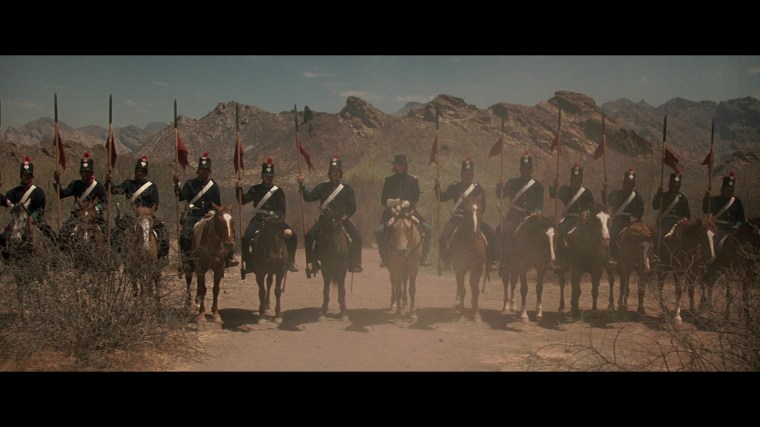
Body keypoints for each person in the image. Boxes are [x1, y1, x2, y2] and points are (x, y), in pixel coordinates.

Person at [297, 155, 363, 275]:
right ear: (329, 173)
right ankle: (313, 263)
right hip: (325, 219)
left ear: (340, 173)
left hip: (341, 219)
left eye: (337, 171)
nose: (334, 173)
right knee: (309, 236)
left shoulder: (347, 189)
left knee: (357, 237)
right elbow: (308, 197)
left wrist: (344, 216)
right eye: (332, 171)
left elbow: (352, 207)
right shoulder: (321, 187)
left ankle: (355, 263)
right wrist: (302, 186)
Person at [173, 152, 237, 272]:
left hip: (209, 215)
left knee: (229, 230)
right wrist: (177, 185)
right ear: (198, 171)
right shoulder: (190, 184)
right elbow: (181, 197)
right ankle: (186, 262)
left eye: (206, 170)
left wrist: (212, 212)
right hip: (193, 215)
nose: (204, 172)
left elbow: (217, 204)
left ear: (209, 172)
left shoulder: (213, 186)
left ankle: (229, 257)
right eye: (202, 170)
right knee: (185, 236)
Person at [236, 157, 299, 273]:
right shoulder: (255, 189)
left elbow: (281, 209)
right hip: (259, 219)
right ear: (262, 176)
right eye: (266, 176)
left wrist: (276, 217)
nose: (268, 178)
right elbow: (243, 200)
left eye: (270, 176)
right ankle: (248, 264)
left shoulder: (278, 191)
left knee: (292, 235)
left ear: (273, 177)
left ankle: (291, 262)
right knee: (246, 238)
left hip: (275, 220)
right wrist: (238, 189)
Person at [436, 156, 498, 271]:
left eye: (470, 174)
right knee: (443, 237)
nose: (468, 177)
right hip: (458, 219)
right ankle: (446, 261)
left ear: (473, 175)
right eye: (465, 174)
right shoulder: (455, 186)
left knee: (491, 234)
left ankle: (492, 261)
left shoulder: (478, 188)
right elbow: (442, 197)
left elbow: (483, 207)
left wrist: (475, 214)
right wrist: (437, 186)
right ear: (461, 175)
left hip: (474, 219)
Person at [105, 155, 170, 260]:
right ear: (135, 171)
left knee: (163, 231)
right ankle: (116, 256)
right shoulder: (128, 184)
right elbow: (115, 190)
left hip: (148, 215)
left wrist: (147, 211)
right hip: (132, 215)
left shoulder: (151, 186)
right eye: (138, 171)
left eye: (142, 171)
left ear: (146, 172)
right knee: (117, 232)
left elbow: (155, 202)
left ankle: (162, 257)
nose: (140, 173)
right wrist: (108, 182)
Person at [375, 154, 432, 268]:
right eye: (398, 165)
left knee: (428, 229)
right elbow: (383, 199)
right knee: (379, 231)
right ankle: (384, 257)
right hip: (391, 212)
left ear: (406, 166)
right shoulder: (389, 180)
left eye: (402, 165)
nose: (400, 167)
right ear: (395, 166)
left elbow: (415, 197)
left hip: (409, 212)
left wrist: (408, 203)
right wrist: (393, 202)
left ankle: (423, 257)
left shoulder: (413, 180)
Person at [495, 151, 544, 275]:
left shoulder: (537, 186)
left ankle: (544, 261)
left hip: (530, 217)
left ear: (531, 170)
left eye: (528, 168)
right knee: (505, 231)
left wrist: (536, 212)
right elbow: (500, 195)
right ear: (520, 169)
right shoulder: (512, 183)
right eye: (523, 168)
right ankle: (505, 261)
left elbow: (539, 203)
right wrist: (499, 186)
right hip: (514, 215)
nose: (526, 170)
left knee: (546, 234)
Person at [0, 156, 54, 254]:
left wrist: (33, 216)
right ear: (21, 176)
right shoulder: (14, 192)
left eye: (29, 175)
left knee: (50, 236)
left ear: (32, 176)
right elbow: (5, 201)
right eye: (25, 175)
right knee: (2, 240)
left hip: (34, 220)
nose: (27, 177)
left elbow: (40, 208)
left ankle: (51, 256)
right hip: (17, 220)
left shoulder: (38, 191)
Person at [53, 152, 107, 246]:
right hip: (77, 216)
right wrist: (57, 181)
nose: (85, 174)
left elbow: (104, 202)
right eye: (83, 172)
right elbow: (62, 194)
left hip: (95, 217)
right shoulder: (75, 184)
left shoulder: (99, 186)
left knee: (107, 232)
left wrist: (95, 208)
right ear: (80, 172)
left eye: (88, 172)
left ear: (92, 173)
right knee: (64, 232)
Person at [549, 162, 596, 270]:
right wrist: (554, 186)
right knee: (559, 232)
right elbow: (553, 195)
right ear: (571, 180)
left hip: (583, 220)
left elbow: (591, 207)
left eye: (578, 180)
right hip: (569, 219)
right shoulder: (565, 189)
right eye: (574, 180)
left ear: (581, 180)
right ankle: (560, 258)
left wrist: (587, 212)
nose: (576, 182)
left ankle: (599, 258)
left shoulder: (586, 192)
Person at [604, 168, 645, 267]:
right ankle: (612, 257)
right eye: (627, 184)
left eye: (631, 184)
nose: (629, 186)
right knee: (612, 235)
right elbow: (606, 202)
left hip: (634, 222)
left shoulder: (637, 197)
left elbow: (640, 210)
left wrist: (635, 217)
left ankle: (644, 258)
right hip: (620, 221)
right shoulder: (616, 194)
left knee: (646, 235)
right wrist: (604, 190)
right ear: (624, 183)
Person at [652, 172, 691, 261]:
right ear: (670, 185)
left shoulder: (683, 198)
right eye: (673, 186)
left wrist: (684, 219)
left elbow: (688, 214)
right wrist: (658, 195)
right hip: (666, 221)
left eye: (677, 186)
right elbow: (655, 206)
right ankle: (656, 253)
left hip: (679, 222)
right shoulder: (663, 196)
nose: (675, 188)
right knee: (659, 236)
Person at [703, 172, 745, 248]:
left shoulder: (737, 201)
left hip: (732, 230)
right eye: (727, 190)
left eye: (731, 191)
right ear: (722, 190)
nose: (729, 192)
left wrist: (737, 226)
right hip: (717, 228)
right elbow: (706, 210)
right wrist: (706, 199)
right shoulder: (715, 199)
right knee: (716, 246)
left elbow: (741, 219)